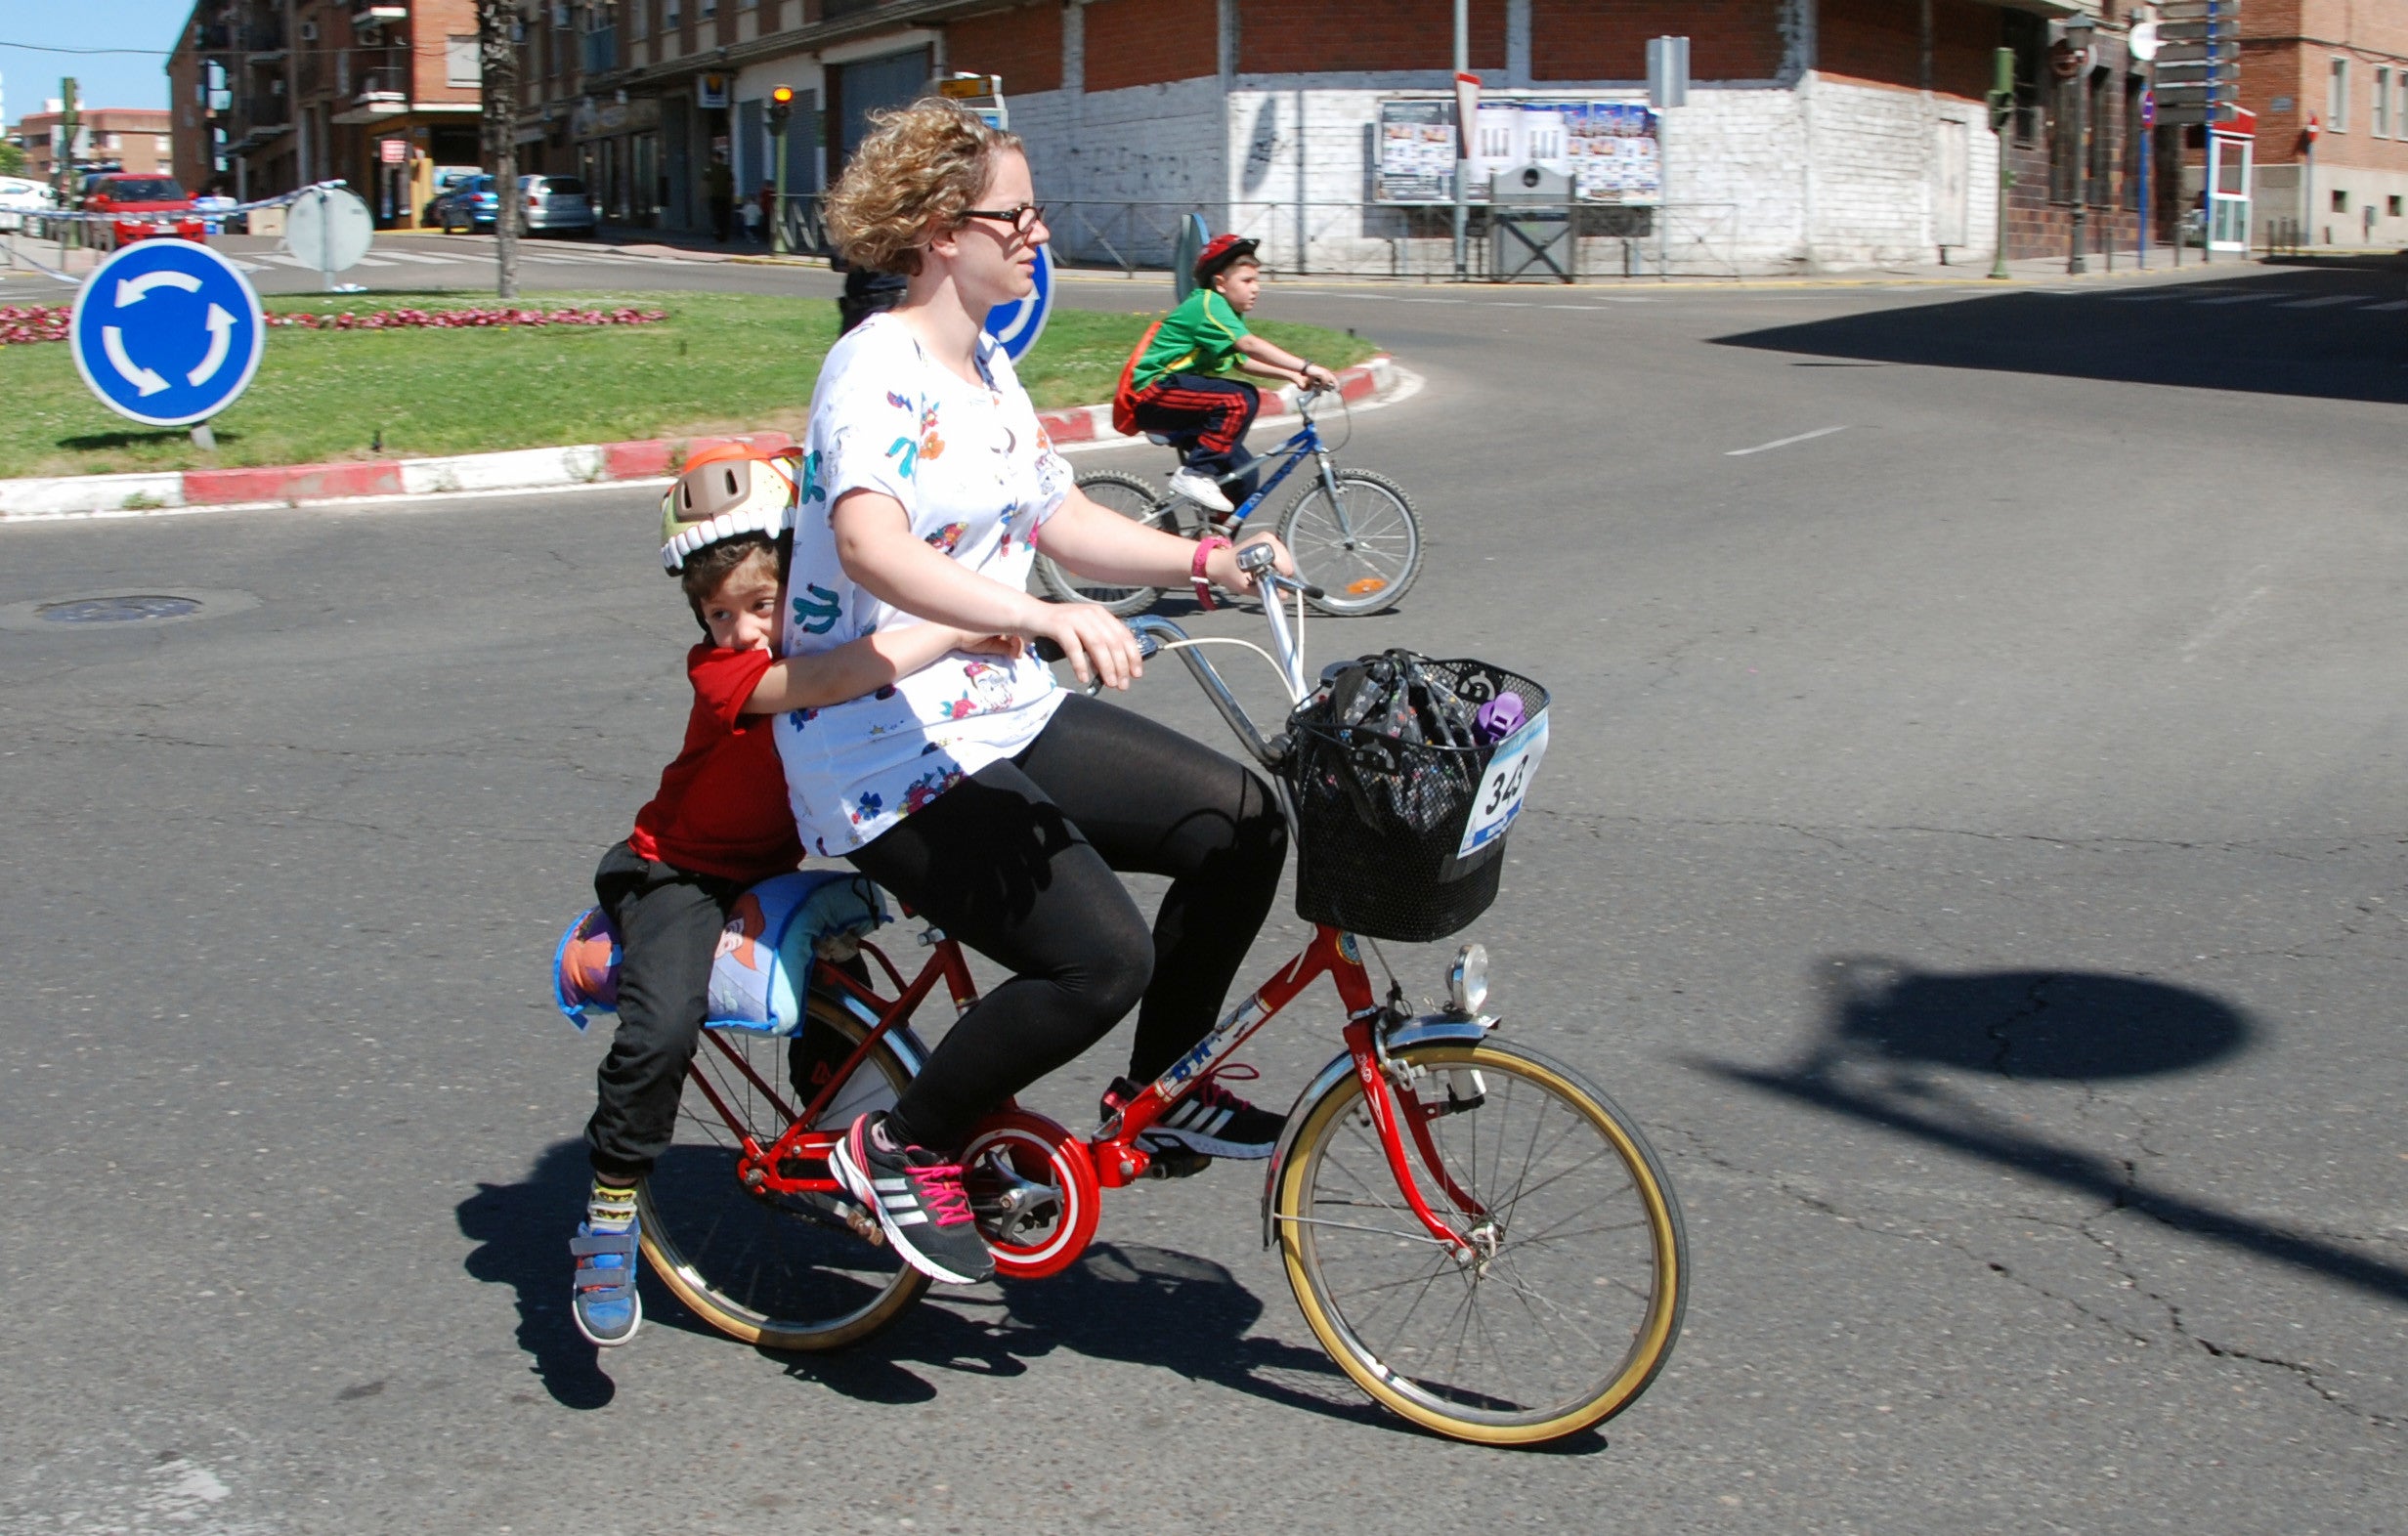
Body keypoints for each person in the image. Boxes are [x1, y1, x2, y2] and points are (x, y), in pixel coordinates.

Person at [782, 100, 1296, 1289]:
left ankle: (1163, 1090)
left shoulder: (989, 366)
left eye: (1032, 211)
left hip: (994, 708)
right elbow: (870, 546)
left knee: (1242, 821)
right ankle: (899, 1147)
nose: (1036, 232)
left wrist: (1204, 560)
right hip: (876, 737)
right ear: (933, 230)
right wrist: (1039, 613)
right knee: (1096, 957)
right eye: (1012, 213)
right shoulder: (876, 366)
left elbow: (1052, 518)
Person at [571, 446, 1017, 1347]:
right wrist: (961, 620)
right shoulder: (726, 672)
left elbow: (880, 680)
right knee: (663, 1024)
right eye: (716, 613)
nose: (737, 629)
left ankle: (870, 1154)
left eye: (759, 605)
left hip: (782, 860)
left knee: (861, 976)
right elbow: (828, 681)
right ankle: (610, 1213)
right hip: (679, 873)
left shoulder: (826, 634)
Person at [1113, 234, 1341, 514]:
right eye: (1247, 281)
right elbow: (1248, 345)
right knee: (1240, 398)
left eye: (1257, 281)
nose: (1255, 289)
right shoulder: (1207, 304)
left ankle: (1213, 548)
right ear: (1220, 284)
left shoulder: (1225, 313)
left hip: (1179, 400)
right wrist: (1306, 366)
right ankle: (1194, 475)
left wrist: (1290, 376)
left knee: (1244, 476)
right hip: (1152, 396)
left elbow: (1241, 360)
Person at [703, 152, 735, 243]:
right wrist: (732, 195)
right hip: (726, 196)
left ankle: (717, 231)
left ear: (715, 158)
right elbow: (731, 184)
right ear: (722, 159)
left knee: (716, 215)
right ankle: (724, 235)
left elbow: (704, 183)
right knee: (725, 216)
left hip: (714, 196)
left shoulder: (709, 168)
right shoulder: (727, 168)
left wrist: (704, 194)